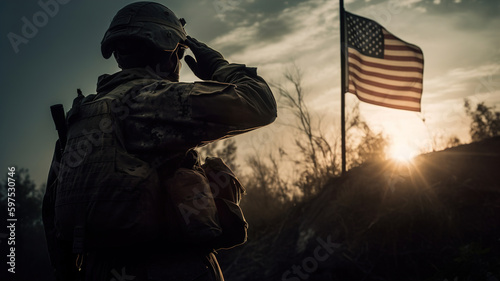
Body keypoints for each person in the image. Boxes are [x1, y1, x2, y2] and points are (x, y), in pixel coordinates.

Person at [42, 2, 277, 281]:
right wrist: (218, 66)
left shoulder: (82, 115)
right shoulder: (154, 98)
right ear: (170, 53)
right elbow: (260, 104)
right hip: (168, 268)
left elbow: (51, 212)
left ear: (119, 55)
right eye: (179, 53)